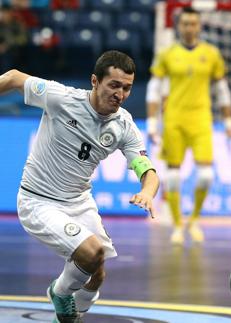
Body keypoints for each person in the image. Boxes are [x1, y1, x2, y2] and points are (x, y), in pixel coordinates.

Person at [1, 50, 160, 322]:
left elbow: (148, 170)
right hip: (38, 201)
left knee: (97, 273)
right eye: (114, 85)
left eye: (127, 88)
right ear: (95, 81)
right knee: (92, 252)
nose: (120, 94)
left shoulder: (124, 125)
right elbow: (14, 77)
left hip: (79, 202)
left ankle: (71, 318)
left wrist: (147, 191)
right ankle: (60, 293)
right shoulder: (61, 98)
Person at [146, 7, 231, 245]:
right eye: (185, 23)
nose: (189, 28)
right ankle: (177, 224)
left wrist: (228, 120)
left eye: (193, 23)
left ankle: (193, 219)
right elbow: (154, 87)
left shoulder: (211, 53)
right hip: (174, 119)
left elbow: (221, 89)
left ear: (199, 26)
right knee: (173, 176)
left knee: (206, 175)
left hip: (201, 119)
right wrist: (153, 121)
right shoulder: (167, 54)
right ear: (179, 26)